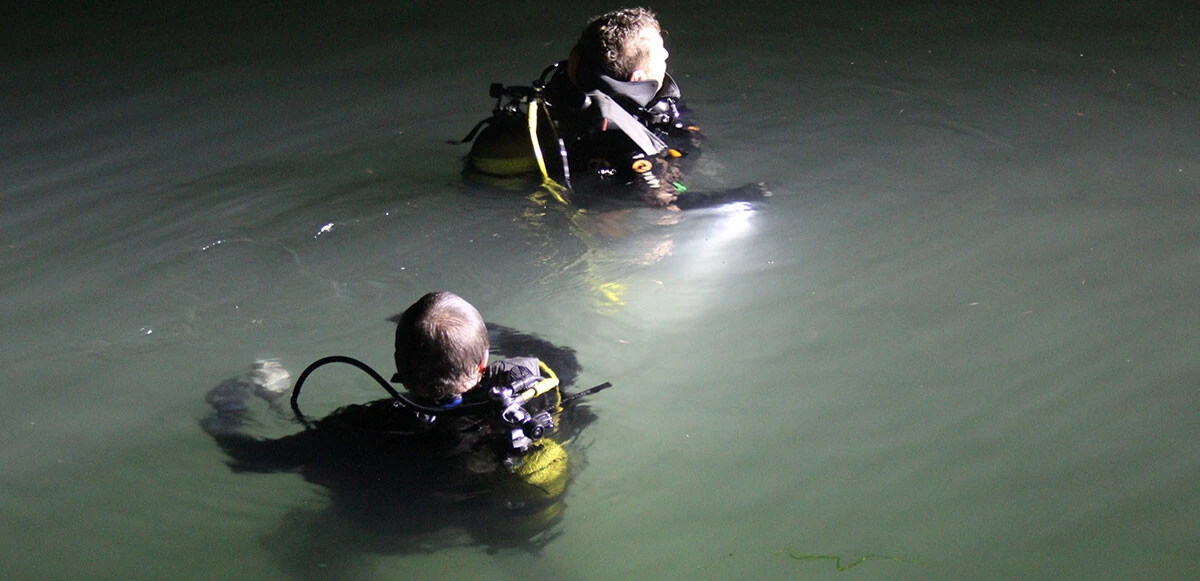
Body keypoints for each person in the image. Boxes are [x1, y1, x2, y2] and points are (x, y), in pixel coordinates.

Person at [201, 292, 601, 568]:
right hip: (492, 513)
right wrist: (490, 330)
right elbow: (562, 356)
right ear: (483, 362)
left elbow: (251, 456)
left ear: (397, 361)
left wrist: (229, 403)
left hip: (411, 528)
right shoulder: (535, 387)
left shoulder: (361, 429)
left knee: (298, 536)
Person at [465, 7, 767, 210]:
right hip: (588, 199)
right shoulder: (621, 140)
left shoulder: (573, 77)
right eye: (660, 54)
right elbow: (665, 202)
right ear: (637, 79)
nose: (666, 54)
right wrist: (742, 196)